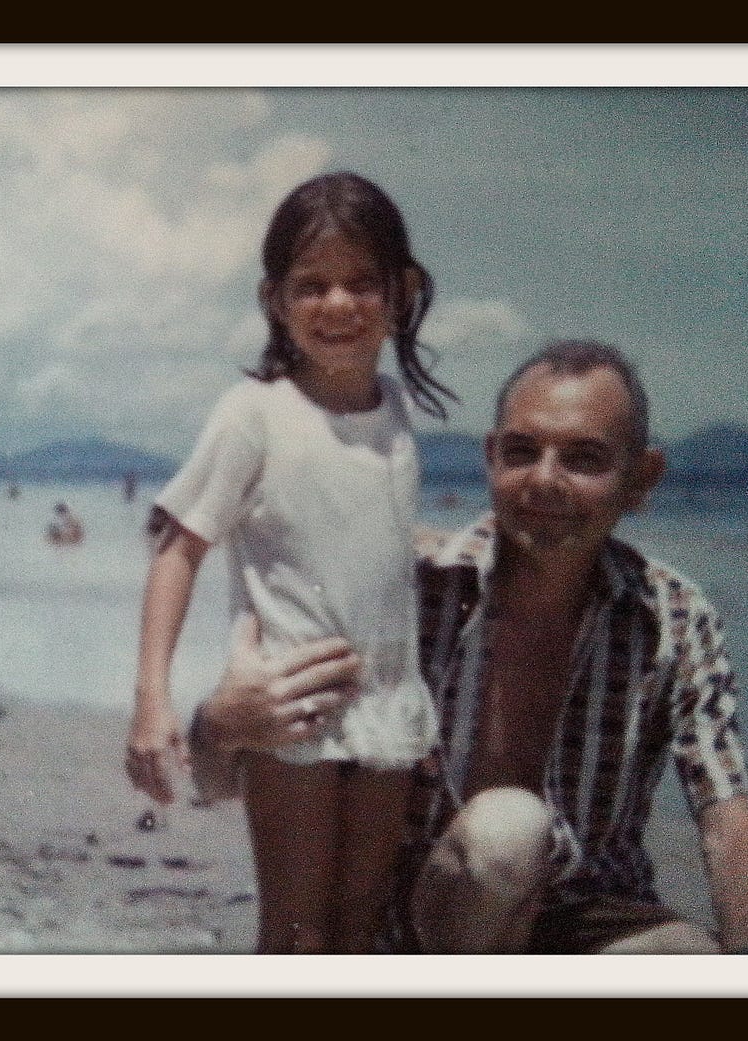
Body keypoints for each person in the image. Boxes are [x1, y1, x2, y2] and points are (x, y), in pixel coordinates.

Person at [187, 339, 748, 955]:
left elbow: (725, 811)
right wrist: (222, 722)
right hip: (422, 922)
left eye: (583, 460)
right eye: (523, 452)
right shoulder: (407, 585)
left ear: (641, 480)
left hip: (589, 918)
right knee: (509, 832)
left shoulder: (673, 617)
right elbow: (219, 781)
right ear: (492, 458)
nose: (544, 482)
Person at [128, 172, 458, 953]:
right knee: (297, 935)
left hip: (386, 700)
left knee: (355, 932)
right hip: (291, 706)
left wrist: (439, 547)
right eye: (311, 286)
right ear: (273, 299)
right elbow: (179, 549)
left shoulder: (397, 410)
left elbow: (350, 525)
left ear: (402, 292)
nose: (337, 304)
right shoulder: (255, 413)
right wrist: (152, 702)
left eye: (360, 283)